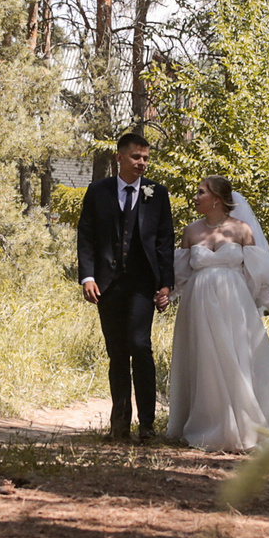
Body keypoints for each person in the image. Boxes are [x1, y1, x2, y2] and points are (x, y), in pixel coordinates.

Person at [166, 174, 269, 453]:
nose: (195, 198)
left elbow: (256, 277)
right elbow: (180, 276)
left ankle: (246, 425)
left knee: (238, 361)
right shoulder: (191, 231)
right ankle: (209, 424)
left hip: (234, 305)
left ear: (217, 199)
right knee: (205, 362)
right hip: (197, 306)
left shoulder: (242, 230)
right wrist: (163, 293)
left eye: (201, 192)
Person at [74, 131, 174, 442]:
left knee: (140, 346)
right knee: (117, 352)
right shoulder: (97, 191)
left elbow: (164, 242)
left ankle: (146, 425)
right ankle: (119, 426)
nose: (142, 162)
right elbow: (86, 236)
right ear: (119, 158)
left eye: (145, 158)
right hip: (107, 285)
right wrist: (87, 276)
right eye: (135, 157)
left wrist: (166, 285)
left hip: (143, 285)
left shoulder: (157, 194)